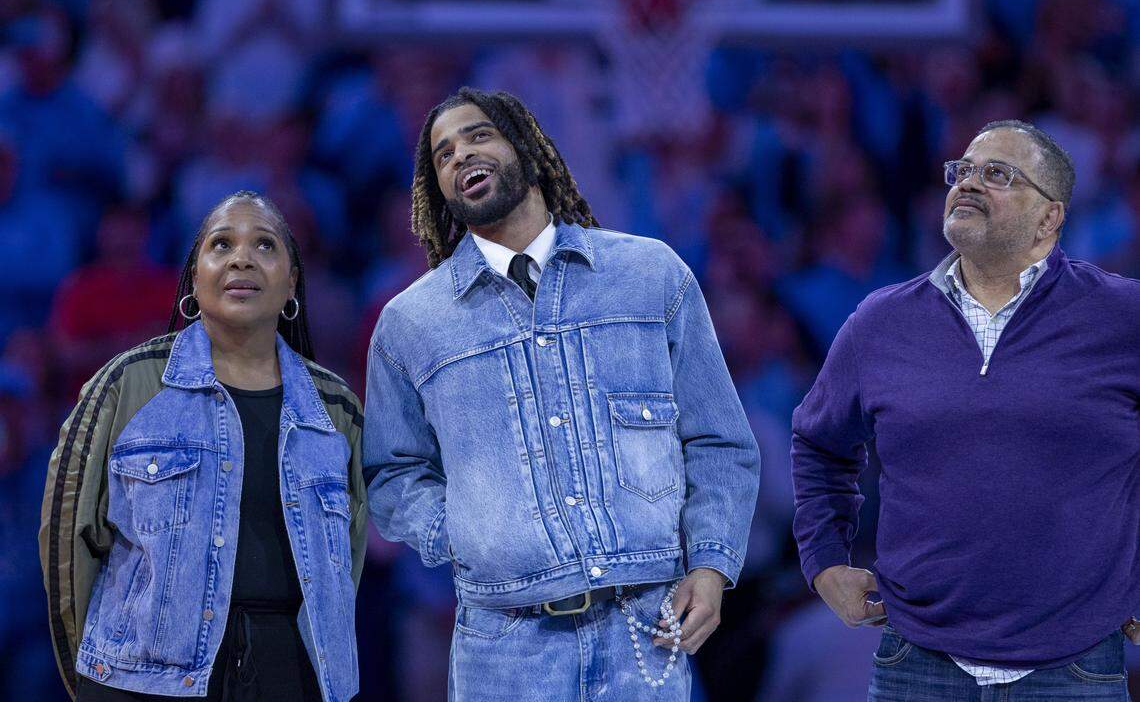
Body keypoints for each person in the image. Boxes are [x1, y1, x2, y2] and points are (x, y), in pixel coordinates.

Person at [364, 87, 760, 700]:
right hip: (504, 647)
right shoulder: (411, 324)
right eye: (441, 156)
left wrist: (710, 567)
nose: (459, 156)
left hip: (646, 631)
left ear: (525, 146)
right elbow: (391, 474)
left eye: (477, 135)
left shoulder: (650, 275)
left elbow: (718, 440)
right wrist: (465, 530)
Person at [791, 119, 1140, 700]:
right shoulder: (880, 322)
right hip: (914, 664)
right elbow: (819, 443)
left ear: (1049, 217)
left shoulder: (1122, 317)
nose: (969, 184)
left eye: (998, 175)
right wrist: (825, 559)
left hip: (1075, 668)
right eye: (963, 171)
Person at [39, 192, 367, 702]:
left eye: (265, 245)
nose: (242, 258)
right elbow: (69, 540)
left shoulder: (336, 408)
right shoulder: (128, 384)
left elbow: (346, 562)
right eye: (221, 244)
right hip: (141, 683)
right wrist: (97, 673)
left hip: (293, 678)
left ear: (291, 283)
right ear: (194, 277)